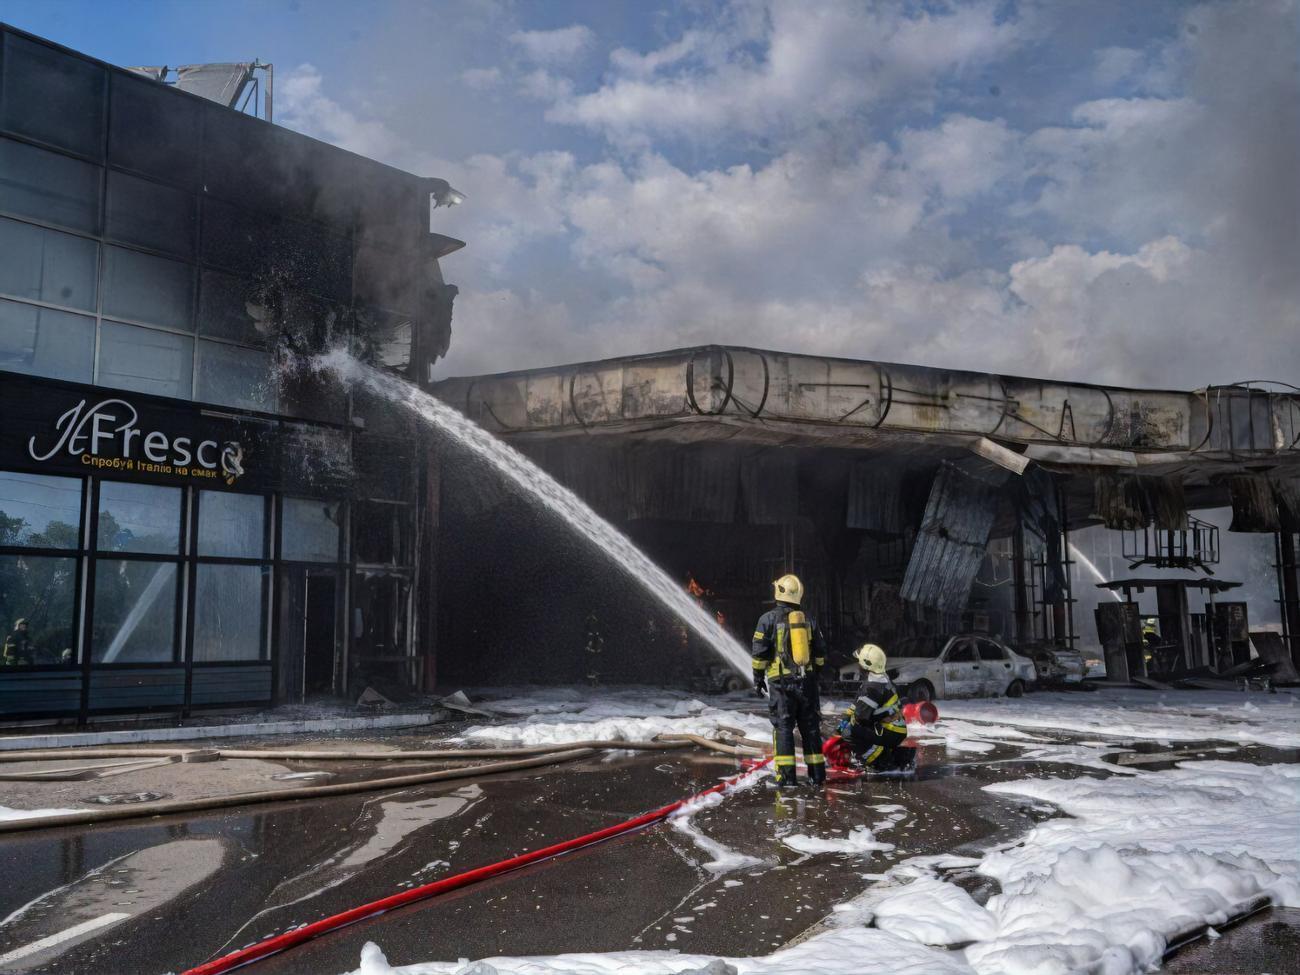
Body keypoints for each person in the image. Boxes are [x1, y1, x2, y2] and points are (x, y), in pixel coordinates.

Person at [751, 574, 827, 788]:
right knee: (810, 728)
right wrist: (813, 674)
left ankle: (786, 780)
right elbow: (821, 652)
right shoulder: (809, 619)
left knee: (784, 728)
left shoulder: (767, 619)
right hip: (807, 683)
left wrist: (758, 678)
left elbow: (759, 654)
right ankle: (818, 777)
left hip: (781, 684)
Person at [838, 643, 910, 771]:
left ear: (866, 665)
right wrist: (845, 718)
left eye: (860, 662)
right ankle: (889, 754)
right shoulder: (880, 679)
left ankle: (880, 762)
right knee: (852, 728)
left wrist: (844, 728)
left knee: (850, 732)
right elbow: (856, 705)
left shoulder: (872, 689)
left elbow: (860, 718)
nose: (858, 664)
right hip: (894, 729)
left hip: (890, 731)